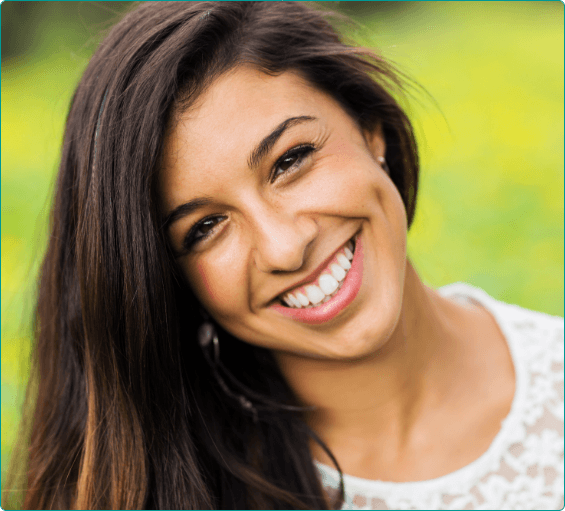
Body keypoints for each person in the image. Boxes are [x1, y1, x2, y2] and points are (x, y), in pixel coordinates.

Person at [9, 2, 563, 509]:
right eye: (206, 227)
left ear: (370, 129)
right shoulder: (166, 491)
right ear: (168, 280)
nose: (284, 246)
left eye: (290, 160)